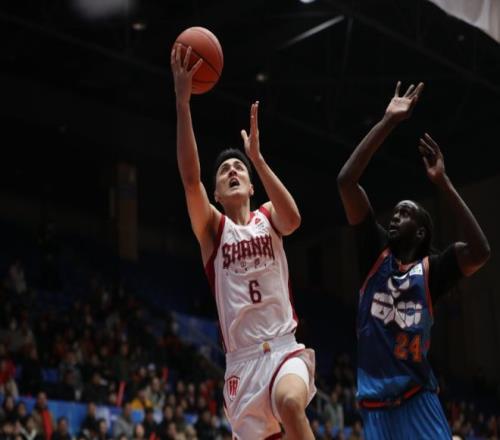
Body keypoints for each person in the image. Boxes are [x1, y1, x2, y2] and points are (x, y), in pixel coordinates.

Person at [171, 44, 316, 439]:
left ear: (251, 185)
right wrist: (183, 103)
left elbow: (294, 219)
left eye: (239, 167)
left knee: (290, 403)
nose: (233, 170)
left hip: (283, 348)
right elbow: (190, 179)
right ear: (217, 194)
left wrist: (258, 158)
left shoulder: (268, 216)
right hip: (242, 366)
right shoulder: (213, 230)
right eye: (224, 171)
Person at [337, 81, 490, 439]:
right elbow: (346, 182)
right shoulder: (373, 251)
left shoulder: (433, 270)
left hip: (417, 401)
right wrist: (388, 121)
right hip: (375, 409)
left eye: (404, 213)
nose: (394, 216)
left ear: (421, 232)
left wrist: (444, 183)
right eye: (395, 212)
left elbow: (481, 251)